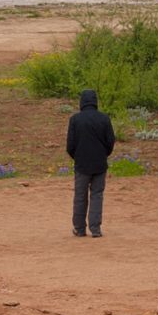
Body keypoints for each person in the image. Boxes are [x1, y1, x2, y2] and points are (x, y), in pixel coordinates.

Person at [65, 88, 116, 237]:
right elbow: (110, 141)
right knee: (97, 195)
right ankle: (95, 229)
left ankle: (79, 229)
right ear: (95, 102)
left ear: (82, 102)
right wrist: (103, 155)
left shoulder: (75, 119)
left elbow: (70, 145)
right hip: (100, 163)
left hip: (81, 164)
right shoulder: (104, 118)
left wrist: (77, 157)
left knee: (80, 196)